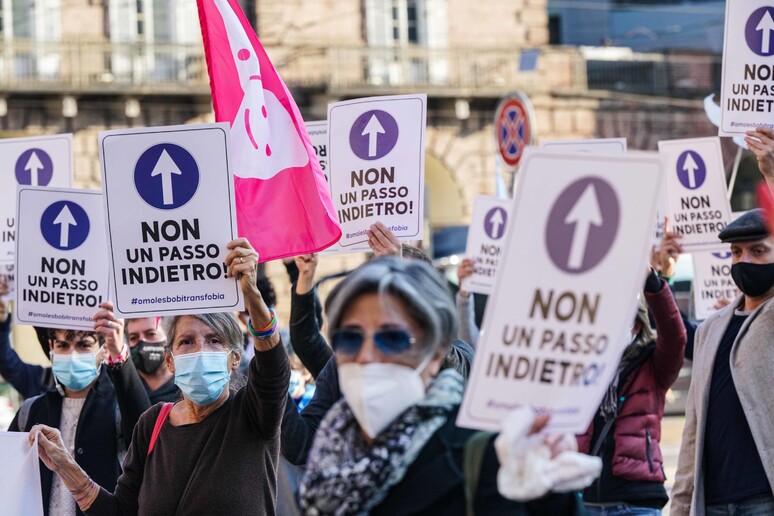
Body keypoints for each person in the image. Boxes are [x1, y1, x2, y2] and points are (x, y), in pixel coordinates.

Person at [297, 257, 586, 514]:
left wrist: (551, 499)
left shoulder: (482, 453)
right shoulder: (330, 454)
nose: (366, 356)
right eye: (350, 338)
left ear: (435, 353)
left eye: (393, 338)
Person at [26, 239, 290, 515]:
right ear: (170, 360)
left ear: (235, 359)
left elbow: (274, 372)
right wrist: (65, 466)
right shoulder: (152, 425)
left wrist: (252, 294)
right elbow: (121, 511)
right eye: (186, 342)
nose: (200, 350)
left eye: (214, 340)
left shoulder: (253, 414)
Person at [672, 209, 774, 515]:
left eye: (758, 251)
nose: (744, 261)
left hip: (762, 499)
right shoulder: (710, 329)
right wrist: (679, 505)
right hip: (712, 501)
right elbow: (693, 428)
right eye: (736, 252)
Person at [9, 306, 151, 516]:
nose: (72, 355)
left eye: (84, 345)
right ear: (51, 347)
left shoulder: (120, 407)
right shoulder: (30, 411)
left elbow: (147, 441)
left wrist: (118, 353)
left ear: (103, 349)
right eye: (63, 345)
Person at [578, 267, 686, 515]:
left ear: (636, 327)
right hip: (586, 500)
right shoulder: (582, 366)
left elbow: (675, 337)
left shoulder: (653, 365)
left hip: (636, 501)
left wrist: (653, 284)